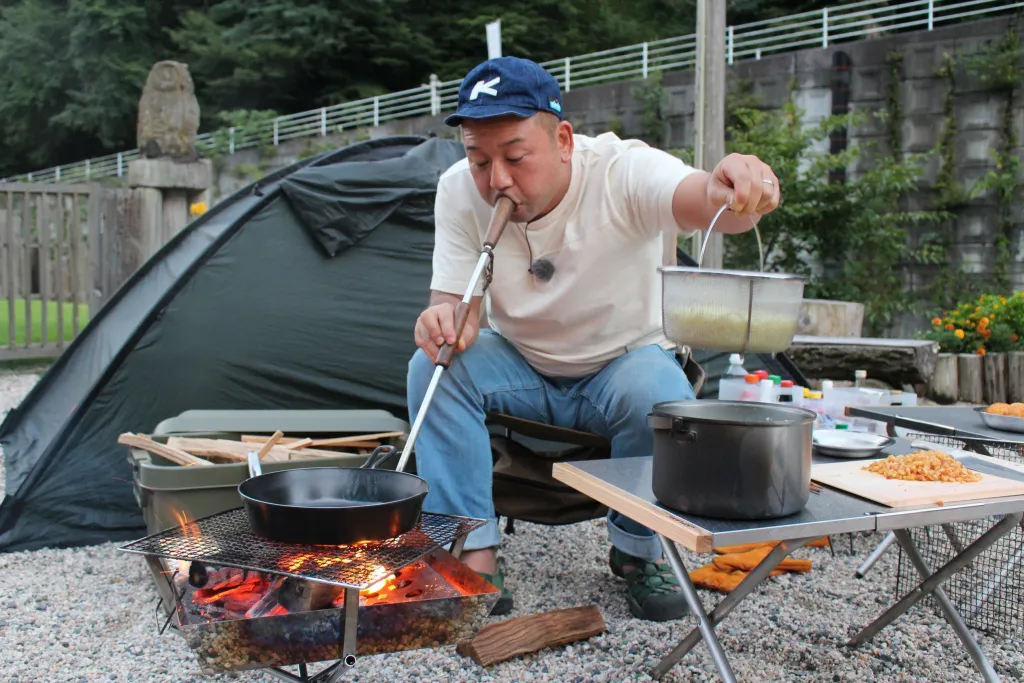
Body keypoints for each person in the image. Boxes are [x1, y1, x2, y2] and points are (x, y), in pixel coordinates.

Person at [406, 56, 781, 621]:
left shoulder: (621, 172)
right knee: (431, 368)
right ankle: (472, 549)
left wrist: (736, 187)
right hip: (523, 365)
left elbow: (705, 202)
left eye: (514, 156)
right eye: (479, 159)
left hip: (621, 363)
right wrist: (440, 323)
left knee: (661, 390)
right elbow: (457, 312)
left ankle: (636, 551)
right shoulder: (460, 192)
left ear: (562, 140)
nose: (497, 180)